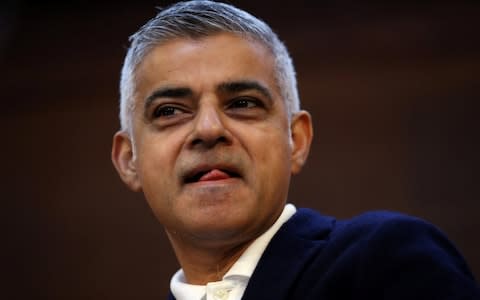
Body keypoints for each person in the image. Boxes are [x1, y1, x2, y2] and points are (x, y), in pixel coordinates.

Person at [111, 1, 480, 299]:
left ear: (297, 140)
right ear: (129, 161)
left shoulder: (384, 261)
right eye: (170, 111)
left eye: (241, 103)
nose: (208, 130)